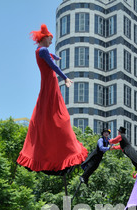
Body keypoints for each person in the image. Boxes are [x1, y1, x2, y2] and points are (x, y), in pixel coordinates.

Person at [17, 24, 87, 174]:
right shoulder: (42, 50)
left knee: (52, 114)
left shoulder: (41, 51)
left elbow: (50, 58)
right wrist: (66, 78)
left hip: (51, 85)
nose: (51, 42)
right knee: (59, 117)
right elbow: (53, 66)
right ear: (45, 38)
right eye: (50, 39)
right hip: (49, 84)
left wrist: (55, 56)